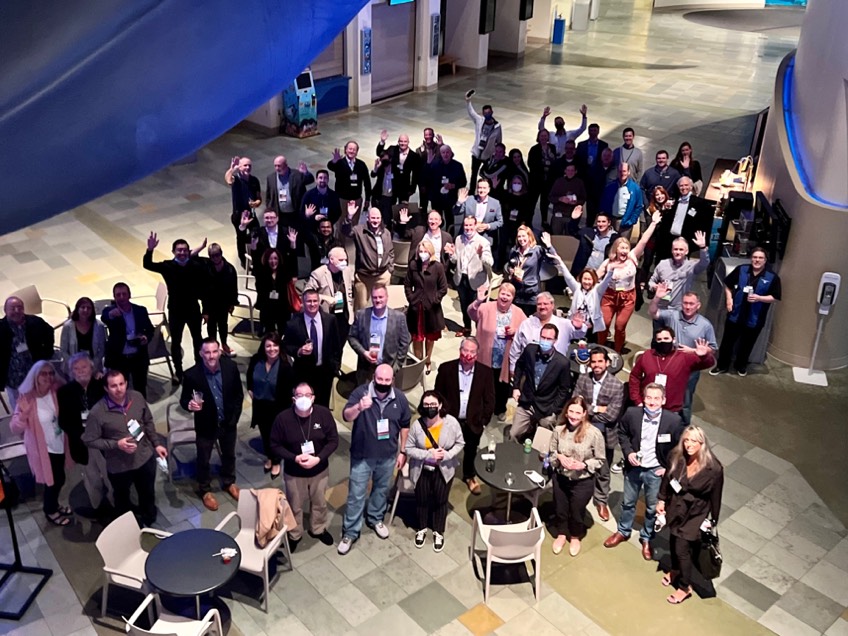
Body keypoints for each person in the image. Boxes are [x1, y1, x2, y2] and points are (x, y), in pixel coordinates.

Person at [603, 383, 684, 561]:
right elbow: (622, 433)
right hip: (634, 468)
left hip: (656, 471)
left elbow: (679, 449)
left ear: (663, 400)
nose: (652, 402)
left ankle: (647, 537)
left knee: (652, 508)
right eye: (649, 397)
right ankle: (623, 531)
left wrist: (667, 468)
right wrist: (629, 452)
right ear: (643, 398)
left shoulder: (673, 421)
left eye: (656, 398)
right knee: (628, 502)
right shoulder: (632, 414)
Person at [338, 364, 410, 555]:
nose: (384, 384)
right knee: (356, 494)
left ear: (392, 380)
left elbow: (405, 425)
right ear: (373, 378)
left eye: (387, 380)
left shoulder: (400, 399)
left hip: (387, 455)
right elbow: (346, 416)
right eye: (380, 380)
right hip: (362, 455)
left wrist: (403, 451)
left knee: (381, 490)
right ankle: (350, 532)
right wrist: (359, 407)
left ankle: (375, 518)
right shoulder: (360, 393)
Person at [82, 369, 167, 526]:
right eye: (114, 386)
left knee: (147, 492)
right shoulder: (98, 412)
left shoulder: (137, 397)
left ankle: (149, 518)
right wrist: (116, 444)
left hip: (144, 457)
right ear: (106, 388)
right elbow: (89, 440)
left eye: (121, 384)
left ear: (126, 384)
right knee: (122, 498)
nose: (119, 389)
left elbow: (148, 421)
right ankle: (128, 526)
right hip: (119, 465)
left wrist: (157, 444)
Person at [657, 425, 724, 604]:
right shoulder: (676, 456)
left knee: (681, 548)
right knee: (673, 539)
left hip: (696, 513)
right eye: (686, 440)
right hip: (676, 506)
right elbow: (667, 478)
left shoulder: (714, 469)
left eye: (693, 440)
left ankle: (685, 586)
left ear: (702, 443)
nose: (689, 444)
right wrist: (662, 500)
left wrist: (712, 519)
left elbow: (716, 496)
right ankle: (676, 569)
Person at [270, 382, 339, 549]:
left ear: (313, 398)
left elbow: (333, 441)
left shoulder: (323, 414)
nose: (304, 398)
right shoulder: (283, 419)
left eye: (307, 395)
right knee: (295, 504)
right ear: (293, 399)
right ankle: (294, 533)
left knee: (320, 502)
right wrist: (294, 458)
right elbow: (274, 444)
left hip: (319, 470)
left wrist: (319, 458)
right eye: (299, 395)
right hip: (294, 472)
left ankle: (318, 528)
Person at [179, 338, 244, 511]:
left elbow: (238, 394)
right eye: (207, 352)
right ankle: (205, 490)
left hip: (228, 422)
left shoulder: (230, 368)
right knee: (204, 459)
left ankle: (229, 482)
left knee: (229, 454)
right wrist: (189, 405)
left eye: (214, 351)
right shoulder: (192, 375)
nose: (211, 356)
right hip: (206, 425)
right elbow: (184, 399)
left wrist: (235, 418)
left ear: (220, 351)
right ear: (201, 353)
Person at [10, 361, 70, 526]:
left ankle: (54, 504)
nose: (48, 377)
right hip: (43, 448)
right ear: (35, 376)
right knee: (54, 480)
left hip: (59, 443)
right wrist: (23, 416)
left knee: (60, 478)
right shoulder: (26, 398)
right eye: (44, 374)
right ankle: (50, 510)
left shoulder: (56, 390)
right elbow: (14, 427)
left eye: (51, 373)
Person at [406, 390, 465, 551]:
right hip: (422, 469)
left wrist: (447, 455)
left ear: (440, 405)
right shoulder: (417, 425)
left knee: (441, 500)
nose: (430, 408)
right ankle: (422, 528)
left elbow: (460, 443)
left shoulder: (451, 423)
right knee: (422, 500)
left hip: (443, 469)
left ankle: (438, 530)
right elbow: (409, 448)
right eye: (426, 405)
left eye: (433, 404)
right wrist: (427, 454)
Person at [143, 232, 206, 383]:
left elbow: (204, 289)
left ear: (188, 252)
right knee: (176, 343)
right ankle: (178, 372)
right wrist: (149, 250)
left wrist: (207, 310)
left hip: (193, 309)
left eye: (185, 250)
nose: (182, 253)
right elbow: (147, 264)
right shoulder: (167, 266)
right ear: (173, 252)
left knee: (198, 340)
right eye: (179, 250)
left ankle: (200, 368)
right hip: (176, 310)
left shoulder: (196, 266)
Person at [434, 338, 495, 495]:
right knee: (445, 448)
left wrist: (483, 422)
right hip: (450, 420)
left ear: (477, 354)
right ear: (460, 350)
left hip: (473, 421)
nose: (468, 354)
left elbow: (489, 400)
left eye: (472, 351)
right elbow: (437, 395)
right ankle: (441, 475)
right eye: (465, 350)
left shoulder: (485, 372)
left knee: (470, 450)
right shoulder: (446, 369)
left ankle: (469, 476)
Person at [649, 287, 718, 425]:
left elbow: (713, 349)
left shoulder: (705, 325)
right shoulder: (672, 315)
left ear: (698, 305)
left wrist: (694, 351)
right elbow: (653, 313)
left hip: (690, 370)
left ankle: (684, 427)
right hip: (669, 365)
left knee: (685, 400)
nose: (687, 306)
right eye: (685, 303)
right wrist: (657, 298)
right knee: (662, 393)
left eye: (691, 304)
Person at [572, 348, 626, 521]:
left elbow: (611, 415)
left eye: (600, 361)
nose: (596, 365)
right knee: (579, 461)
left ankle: (601, 500)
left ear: (607, 363)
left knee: (603, 469)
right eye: (593, 362)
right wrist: (596, 408)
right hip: (583, 426)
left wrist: (588, 409)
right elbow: (575, 403)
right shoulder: (583, 379)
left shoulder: (616, 386)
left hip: (604, 430)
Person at [595, 212, 661, 352]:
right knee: (604, 323)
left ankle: (617, 351)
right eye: (622, 248)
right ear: (616, 249)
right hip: (609, 297)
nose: (624, 250)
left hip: (628, 298)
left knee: (620, 326)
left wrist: (653, 223)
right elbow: (594, 277)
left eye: (626, 248)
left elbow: (643, 240)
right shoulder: (608, 263)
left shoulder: (632, 257)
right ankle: (600, 349)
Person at [548, 396, 605, 556]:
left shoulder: (594, 434)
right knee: (560, 508)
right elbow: (551, 453)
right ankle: (561, 533)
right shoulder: (558, 431)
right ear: (566, 412)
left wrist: (584, 465)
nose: (573, 415)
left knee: (576, 510)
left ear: (584, 414)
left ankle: (574, 536)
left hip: (583, 481)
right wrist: (559, 458)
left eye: (577, 412)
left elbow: (601, 460)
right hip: (561, 478)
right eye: (571, 411)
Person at [711, 247, 781, 377]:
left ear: (765, 260)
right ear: (751, 258)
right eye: (755, 257)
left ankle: (740, 366)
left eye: (760, 258)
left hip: (755, 318)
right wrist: (729, 299)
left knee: (747, 345)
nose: (757, 260)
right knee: (727, 342)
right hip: (735, 314)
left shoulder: (772, 278)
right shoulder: (742, 270)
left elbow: (775, 297)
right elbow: (728, 284)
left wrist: (759, 298)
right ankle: (722, 366)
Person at [57, 352, 112, 512]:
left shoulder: (102, 386)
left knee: (110, 477)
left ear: (91, 368)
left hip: (103, 441)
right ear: (71, 371)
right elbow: (64, 422)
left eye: (84, 367)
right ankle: (97, 507)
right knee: (92, 479)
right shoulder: (65, 392)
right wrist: (81, 435)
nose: (80, 371)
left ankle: (115, 506)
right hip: (82, 444)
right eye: (76, 368)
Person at [468, 283, 527, 421]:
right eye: (503, 293)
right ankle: (484, 409)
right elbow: (471, 313)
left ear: (513, 297)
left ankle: (500, 409)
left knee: (502, 386)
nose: (505, 297)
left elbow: (527, 329)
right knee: (485, 383)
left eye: (509, 295)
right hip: (486, 355)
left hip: (505, 358)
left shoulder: (518, 312)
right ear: (498, 294)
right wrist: (478, 301)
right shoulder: (486, 307)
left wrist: (516, 331)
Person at [629, 326, 714, 419]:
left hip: (671, 411)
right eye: (659, 339)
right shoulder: (647, 355)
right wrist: (637, 401)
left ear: (673, 340)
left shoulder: (684, 357)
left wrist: (704, 356)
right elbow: (634, 377)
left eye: (666, 338)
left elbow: (709, 363)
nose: (663, 341)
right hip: (647, 406)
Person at [510, 323, 573, 442]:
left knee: (544, 442)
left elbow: (564, 389)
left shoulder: (562, 363)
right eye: (543, 337)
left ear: (555, 340)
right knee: (513, 434)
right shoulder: (530, 350)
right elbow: (519, 365)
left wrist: (554, 409)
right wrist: (516, 387)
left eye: (549, 339)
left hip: (546, 406)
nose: (545, 341)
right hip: (527, 402)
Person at [284, 290, 342, 407]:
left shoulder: (330, 320)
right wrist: (299, 351)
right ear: (303, 302)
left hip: (325, 372)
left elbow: (337, 346)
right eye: (309, 301)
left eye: (315, 301)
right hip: (303, 373)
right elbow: (286, 346)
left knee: (323, 405)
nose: (312, 304)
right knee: (304, 406)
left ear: (319, 302)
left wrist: (335, 367)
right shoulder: (293, 323)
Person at [246, 332, 293, 478]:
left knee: (276, 435)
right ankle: (269, 457)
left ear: (279, 347)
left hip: (277, 407)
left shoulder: (285, 366)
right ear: (263, 347)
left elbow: (290, 388)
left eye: (275, 345)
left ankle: (276, 461)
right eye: (268, 345)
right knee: (265, 434)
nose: (271, 349)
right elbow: (249, 376)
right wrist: (250, 389)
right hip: (260, 405)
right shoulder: (256, 360)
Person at [0, 296, 54, 411]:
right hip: (13, 377)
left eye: (19, 307)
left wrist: (47, 354)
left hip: (35, 374)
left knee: (40, 403)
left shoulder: (35, 322)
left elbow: (49, 332)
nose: (16, 311)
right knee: (18, 407)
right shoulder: (1, 328)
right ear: (5, 310)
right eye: (12, 308)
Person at [100, 283, 154, 398]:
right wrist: (111, 314)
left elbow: (150, 329)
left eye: (124, 294)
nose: (121, 297)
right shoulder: (111, 312)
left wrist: (146, 337)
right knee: (119, 391)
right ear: (114, 297)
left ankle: (140, 411)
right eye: (118, 295)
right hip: (119, 359)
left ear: (129, 295)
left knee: (140, 388)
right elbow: (104, 316)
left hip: (138, 357)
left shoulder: (140, 310)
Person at [348, 285, 410, 384]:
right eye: (375, 297)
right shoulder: (361, 315)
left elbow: (404, 344)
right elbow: (352, 337)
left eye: (380, 297)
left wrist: (395, 368)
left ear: (387, 297)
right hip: (366, 369)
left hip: (388, 370)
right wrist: (364, 352)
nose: (378, 300)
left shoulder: (399, 318)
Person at [509, 292, 587, 370]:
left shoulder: (564, 324)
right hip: (529, 370)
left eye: (545, 304)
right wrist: (513, 368)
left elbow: (580, 334)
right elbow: (515, 348)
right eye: (539, 304)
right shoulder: (526, 324)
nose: (542, 306)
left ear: (552, 305)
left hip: (556, 370)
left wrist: (578, 327)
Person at [405, 239, 448, 374]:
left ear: (431, 252)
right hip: (416, 308)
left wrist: (434, 300)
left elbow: (443, 288)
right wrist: (412, 298)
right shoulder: (413, 265)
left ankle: (427, 361)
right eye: (421, 251)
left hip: (432, 309)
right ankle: (418, 363)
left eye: (426, 251)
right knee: (417, 338)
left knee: (430, 338)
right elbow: (407, 284)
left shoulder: (438, 267)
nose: (423, 254)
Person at [343, 204, 395, 310]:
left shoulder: (387, 233)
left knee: (381, 306)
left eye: (377, 218)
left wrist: (390, 269)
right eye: (373, 218)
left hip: (382, 276)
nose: (375, 221)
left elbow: (391, 252)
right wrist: (349, 217)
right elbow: (346, 231)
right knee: (361, 307)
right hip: (364, 277)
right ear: (368, 218)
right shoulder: (359, 231)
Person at [448, 216, 493, 337]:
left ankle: (479, 334)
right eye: (466, 225)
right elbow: (455, 260)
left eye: (470, 225)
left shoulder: (483, 242)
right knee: (464, 306)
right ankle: (467, 328)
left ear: (475, 226)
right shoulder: (459, 239)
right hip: (461, 278)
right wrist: (451, 255)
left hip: (477, 281)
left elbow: (490, 262)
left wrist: (482, 255)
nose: (468, 228)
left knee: (477, 310)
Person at [551, 256, 617, 339]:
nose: (587, 282)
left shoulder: (597, 290)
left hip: (590, 328)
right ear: (581, 279)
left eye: (590, 279)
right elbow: (568, 276)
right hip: (574, 325)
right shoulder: (576, 287)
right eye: (585, 279)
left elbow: (605, 282)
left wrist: (611, 271)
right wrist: (560, 261)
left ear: (594, 280)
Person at [653, 177, 714, 263]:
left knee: (680, 267)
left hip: (685, 241)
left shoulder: (700, 204)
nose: (684, 188)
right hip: (668, 240)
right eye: (681, 186)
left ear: (691, 186)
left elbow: (705, 224)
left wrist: (703, 243)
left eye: (686, 185)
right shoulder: (673, 201)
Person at [304, 246, 354, 347]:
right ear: (331, 259)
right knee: (327, 347)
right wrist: (324, 297)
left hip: (344, 316)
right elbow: (306, 293)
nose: (344, 262)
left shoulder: (347, 271)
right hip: (327, 315)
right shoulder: (319, 273)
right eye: (341, 260)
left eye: (345, 260)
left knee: (339, 348)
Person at [648, 232, 710, 312]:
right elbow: (651, 281)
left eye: (681, 250)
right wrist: (654, 287)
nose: (678, 252)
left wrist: (703, 248)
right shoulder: (663, 264)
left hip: (679, 311)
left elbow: (704, 263)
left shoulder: (691, 267)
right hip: (661, 308)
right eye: (675, 249)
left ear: (686, 251)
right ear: (672, 250)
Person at [503, 227, 556, 316]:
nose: (521, 239)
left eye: (523, 236)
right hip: (517, 293)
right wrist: (510, 270)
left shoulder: (537, 250)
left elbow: (554, 259)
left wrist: (549, 245)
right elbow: (509, 265)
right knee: (517, 320)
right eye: (519, 236)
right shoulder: (514, 251)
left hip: (531, 293)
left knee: (531, 321)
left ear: (529, 236)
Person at [200, 243, 238, 357]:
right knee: (211, 326)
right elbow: (204, 292)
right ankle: (214, 347)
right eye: (212, 256)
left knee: (223, 325)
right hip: (210, 304)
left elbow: (233, 288)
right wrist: (205, 311)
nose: (215, 258)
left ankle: (224, 344)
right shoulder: (206, 269)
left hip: (224, 304)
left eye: (217, 255)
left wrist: (232, 303)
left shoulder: (230, 269)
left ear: (221, 254)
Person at [224, 156, 262, 268]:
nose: (248, 167)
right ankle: (243, 259)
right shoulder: (236, 180)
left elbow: (259, 198)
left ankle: (256, 256)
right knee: (240, 237)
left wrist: (256, 203)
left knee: (257, 234)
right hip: (238, 215)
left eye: (249, 165)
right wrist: (232, 169)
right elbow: (227, 179)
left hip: (251, 214)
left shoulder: (254, 180)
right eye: (245, 165)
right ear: (240, 167)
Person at [327, 141, 371, 226]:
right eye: (350, 149)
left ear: (357, 152)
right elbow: (330, 166)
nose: (352, 151)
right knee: (341, 222)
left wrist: (368, 198)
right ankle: (340, 239)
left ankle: (353, 239)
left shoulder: (361, 164)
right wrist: (334, 161)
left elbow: (367, 182)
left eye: (354, 149)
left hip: (356, 199)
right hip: (342, 199)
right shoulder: (339, 163)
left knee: (354, 222)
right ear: (345, 150)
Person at [59, 297, 106, 376]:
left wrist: (92, 365)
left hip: (93, 369)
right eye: (83, 307)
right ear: (77, 309)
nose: (85, 310)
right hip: (72, 370)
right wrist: (75, 365)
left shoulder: (99, 326)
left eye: (88, 308)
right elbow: (63, 350)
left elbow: (102, 349)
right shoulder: (68, 326)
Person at [255, 246, 296, 335]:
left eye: (275, 258)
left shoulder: (284, 271)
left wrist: (293, 247)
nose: (273, 261)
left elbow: (292, 263)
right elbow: (256, 262)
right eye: (270, 259)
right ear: (266, 260)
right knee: (270, 333)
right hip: (268, 307)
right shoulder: (261, 272)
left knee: (283, 331)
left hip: (282, 307)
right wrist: (254, 248)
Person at [265, 155, 314, 230]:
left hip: (295, 214)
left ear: (286, 165)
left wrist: (306, 173)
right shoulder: (271, 177)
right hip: (280, 214)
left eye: (279, 166)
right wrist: (269, 210)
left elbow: (310, 180)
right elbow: (268, 196)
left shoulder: (296, 174)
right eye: (275, 166)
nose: (277, 168)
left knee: (296, 236)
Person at [466, 95, 503, 186]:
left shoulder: (497, 127)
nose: (487, 115)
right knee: (473, 174)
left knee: (486, 175)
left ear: (492, 112)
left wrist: (497, 154)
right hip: (476, 154)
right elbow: (471, 113)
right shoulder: (479, 121)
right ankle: (471, 192)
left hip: (488, 156)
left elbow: (499, 141)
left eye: (489, 113)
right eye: (485, 113)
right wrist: (468, 101)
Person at [376, 130, 421, 205]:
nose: (403, 143)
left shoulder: (414, 156)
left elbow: (415, 174)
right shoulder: (392, 149)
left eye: (405, 141)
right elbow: (379, 153)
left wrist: (412, 189)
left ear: (408, 142)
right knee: (390, 207)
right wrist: (382, 142)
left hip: (405, 187)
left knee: (402, 208)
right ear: (398, 142)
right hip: (392, 184)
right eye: (401, 141)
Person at [600, 163, 644, 238]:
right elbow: (603, 203)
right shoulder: (610, 186)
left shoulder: (635, 188)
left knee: (623, 245)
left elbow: (639, 206)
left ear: (628, 172)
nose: (622, 174)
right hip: (611, 221)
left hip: (625, 222)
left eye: (624, 171)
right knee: (610, 245)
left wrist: (631, 220)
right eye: (620, 171)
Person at [428, 145, 468, 228]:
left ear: (451, 153)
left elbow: (463, 182)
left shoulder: (458, 166)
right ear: (440, 154)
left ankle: (450, 238)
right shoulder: (434, 165)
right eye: (443, 152)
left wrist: (454, 185)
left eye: (447, 152)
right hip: (437, 198)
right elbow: (429, 180)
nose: (445, 154)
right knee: (436, 219)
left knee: (450, 220)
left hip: (450, 198)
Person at [569, 212, 619, 276]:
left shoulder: (615, 238)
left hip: (602, 274)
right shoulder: (589, 232)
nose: (601, 224)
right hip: (585, 272)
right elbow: (573, 231)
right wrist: (574, 219)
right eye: (599, 222)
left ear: (609, 223)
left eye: (603, 222)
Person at [455, 178, 503, 244]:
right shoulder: (469, 199)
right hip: (467, 237)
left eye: (484, 188)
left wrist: (487, 226)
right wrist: (459, 203)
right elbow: (456, 212)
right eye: (479, 188)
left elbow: (500, 222)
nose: (481, 190)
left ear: (489, 189)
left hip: (486, 238)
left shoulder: (495, 203)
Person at [528, 129, 558, 228]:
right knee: (532, 202)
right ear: (538, 137)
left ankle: (544, 221)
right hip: (536, 181)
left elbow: (554, 162)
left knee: (545, 202)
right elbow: (531, 164)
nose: (544, 138)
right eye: (542, 136)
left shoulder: (552, 148)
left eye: (545, 136)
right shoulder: (534, 149)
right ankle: (529, 221)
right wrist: (544, 165)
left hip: (548, 181)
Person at [301, 169, 342, 235]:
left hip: (327, 229)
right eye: (320, 178)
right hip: (312, 230)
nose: (322, 180)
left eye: (325, 178)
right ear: (316, 179)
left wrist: (329, 221)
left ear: (328, 180)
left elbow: (338, 212)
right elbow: (301, 213)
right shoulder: (308, 195)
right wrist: (311, 216)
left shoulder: (334, 195)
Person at [548, 164, 587, 235]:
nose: (570, 172)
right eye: (568, 170)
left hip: (572, 216)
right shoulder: (559, 181)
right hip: (559, 215)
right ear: (565, 171)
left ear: (576, 171)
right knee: (556, 236)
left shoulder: (579, 183)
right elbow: (551, 197)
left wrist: (576, 202)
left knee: (570, 237)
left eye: (572, 170)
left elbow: (583, 198)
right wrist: (560, 199)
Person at [584, 147, 617, 227]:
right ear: (601, 157)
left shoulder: (615, 170)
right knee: (590, 223)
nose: (606, 157)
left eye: (609, 156)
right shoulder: (594, 168)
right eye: (605, 155)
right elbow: (588, 184)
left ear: (612, 158)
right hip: (593, 201)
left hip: (608, 203)